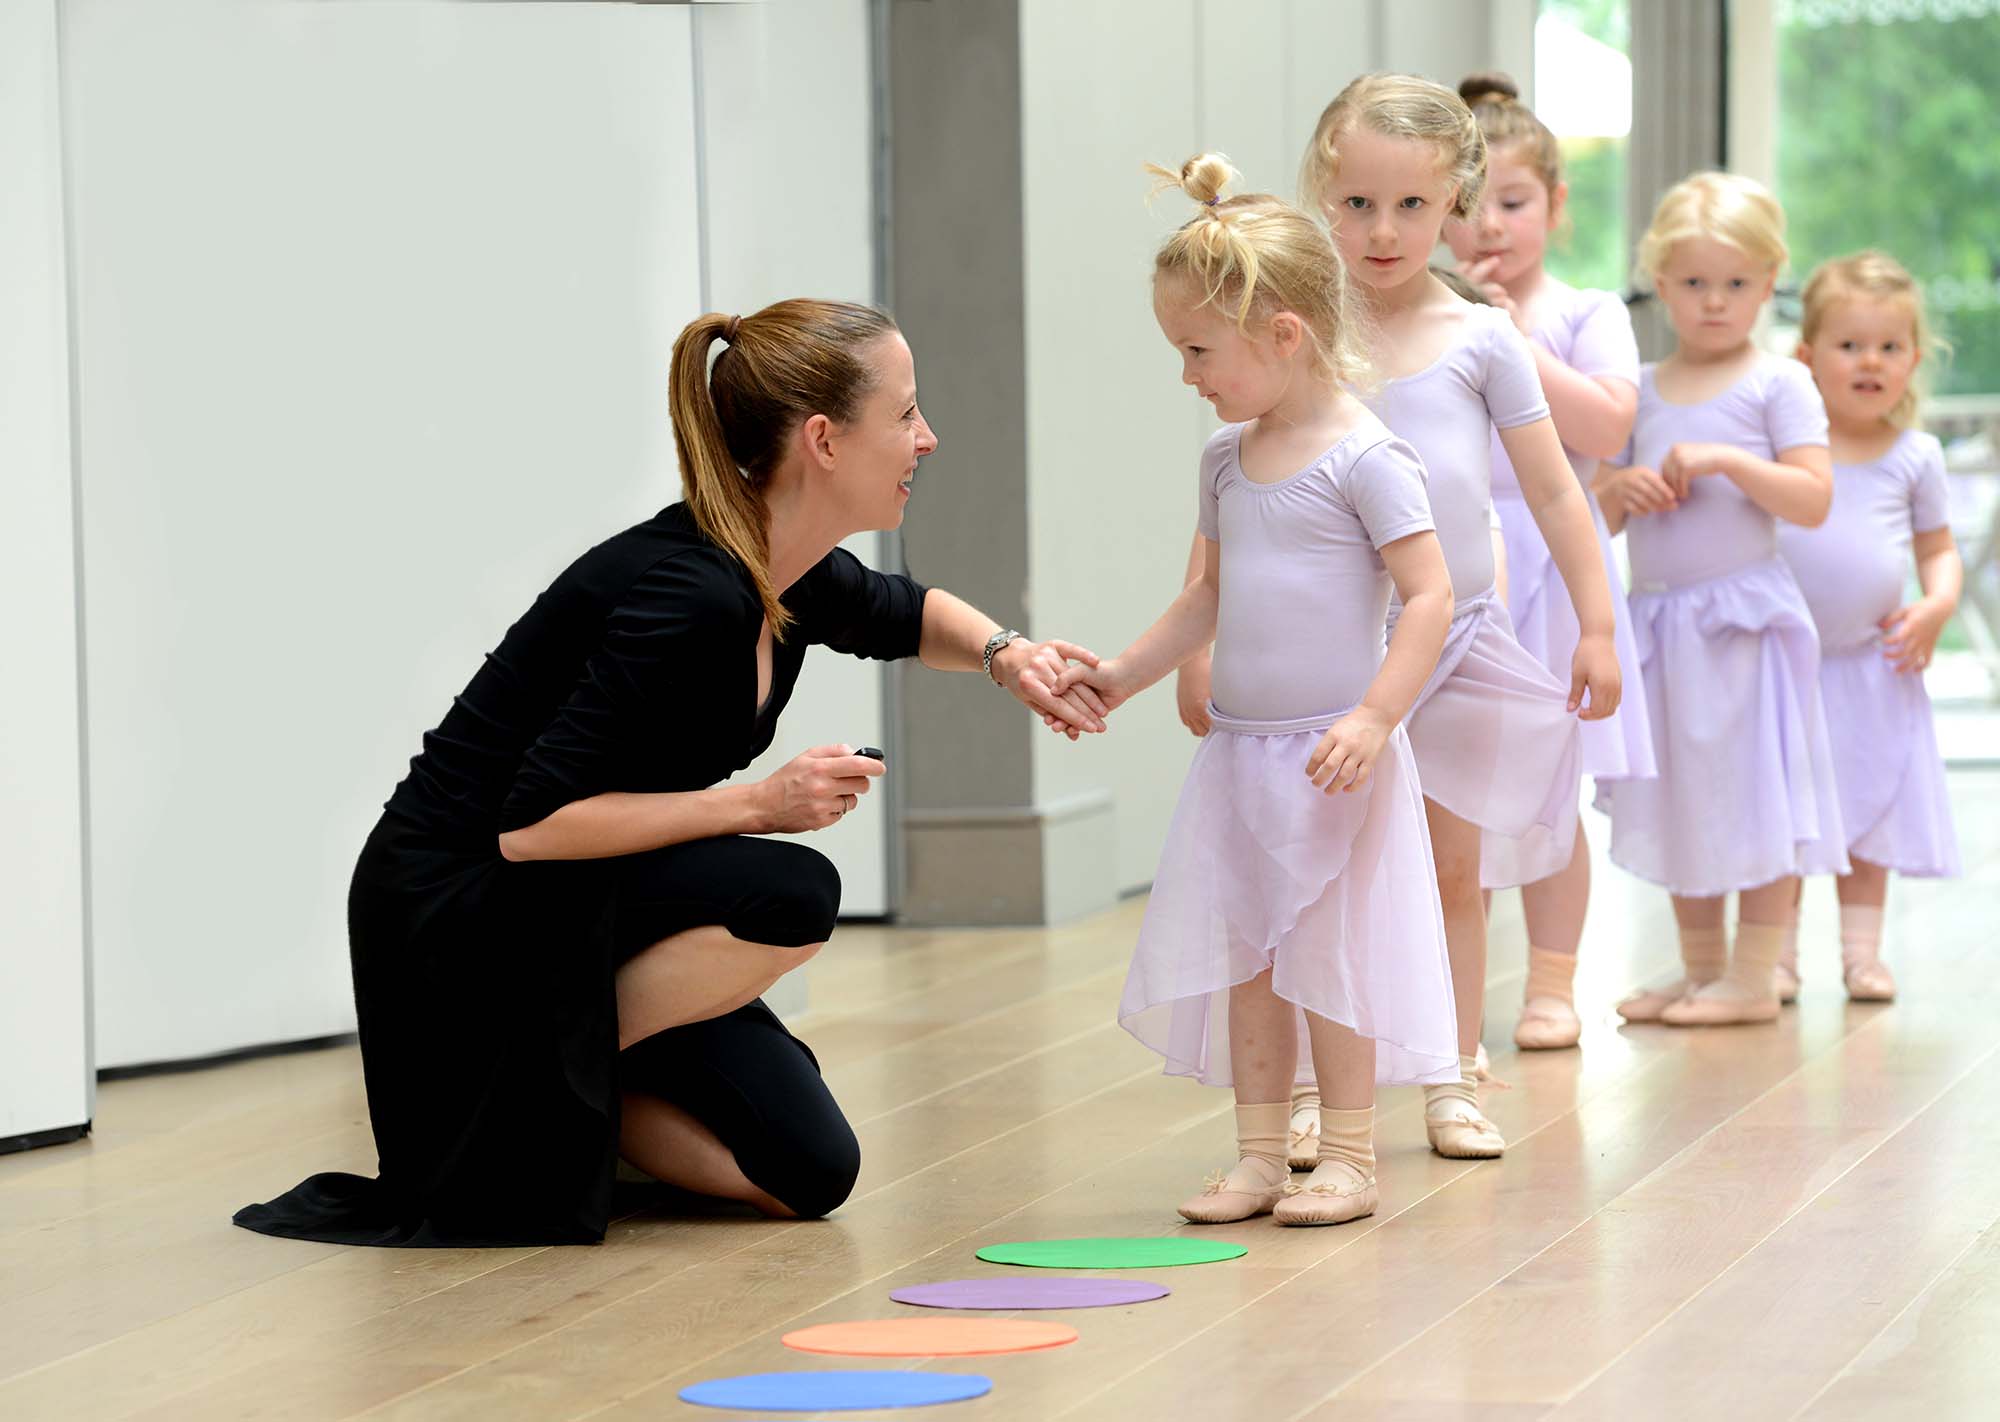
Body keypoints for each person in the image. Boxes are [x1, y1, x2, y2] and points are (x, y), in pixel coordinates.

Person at [234, 298, 1105, 1247]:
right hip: (463, 901)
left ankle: (559, 1099)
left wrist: (1010, 657)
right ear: (822, 439)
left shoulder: (786, 569)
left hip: (581, 891)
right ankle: (510, 1073)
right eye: (905, 414)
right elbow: (531, 827)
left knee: (810, 1172)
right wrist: (759, 803)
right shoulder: (690, 594)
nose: (926, 438)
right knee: (790, 890)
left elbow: (905, 612)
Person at [1055, 156, 1456, 1227]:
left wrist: (1374, 717)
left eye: (1198, 351)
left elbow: (1429, 596)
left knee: (1329, 957)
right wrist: (1123, 676)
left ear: (1282, 333)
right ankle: (1260, 1154)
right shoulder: (1226, 460)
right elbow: (1209, 596)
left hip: (1331, 759)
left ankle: (1351, 1156)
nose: (1186, 375)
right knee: (1248, 959)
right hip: (1240, 756)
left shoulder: (1367, 459)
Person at [1298, 72, 1622, 1159]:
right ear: (1322, 195)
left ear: (1453, 204)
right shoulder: (1300, 329)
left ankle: (1449, 1069)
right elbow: (1239, 489)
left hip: (1459, 639)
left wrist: (1595, 625)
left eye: (1410, 205)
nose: (1382, 232)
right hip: (1330, 649)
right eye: (1356, 204)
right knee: (1324, 870)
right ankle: (1317, 1086)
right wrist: (1206, 648)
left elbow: (1553, 491)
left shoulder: (1482, 336)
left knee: (1451, 868)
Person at [1594, 173, 1843, 1027]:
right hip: (1662, 622)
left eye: (1735, 283)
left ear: (1769, 282)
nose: (1713, 301)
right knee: (1682, 793)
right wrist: (1618, 490)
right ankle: (1704, 971)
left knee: (1758, 789)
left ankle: (1755, 973)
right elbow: (1593, 513)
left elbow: (1813, 498)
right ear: (1660, 282)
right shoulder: (1638, 387)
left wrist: (1731, 461)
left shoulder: (1779, 383)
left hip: (1746, 623)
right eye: (1694, 282)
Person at [1443, 72, 1650, 1052]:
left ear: (1557, 205)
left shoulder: (1583, 311)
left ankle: (1554, 985)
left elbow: (1607, 429)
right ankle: (1451, 1003)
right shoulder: (1423, 315)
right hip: (1451, 563)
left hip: (1551, 565)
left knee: (1549, 792)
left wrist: (1513, 339)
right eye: (1466, 204)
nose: (1488, 226)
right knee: (1452, 793)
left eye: (1514, 202)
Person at [1776, 251, 1962, 1002]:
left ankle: (1861, 955)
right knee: (1788, 808)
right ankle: (1776, 954)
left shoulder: (1916, 456)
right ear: (1807, 357)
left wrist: (1937, 606)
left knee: (1870, 805)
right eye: (1850, 345)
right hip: (1785, 665)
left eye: (1889, 346)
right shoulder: (1788, 452)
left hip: (1872, 663)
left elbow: (1938, 549)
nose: (1871, 361)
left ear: (1913, 359)